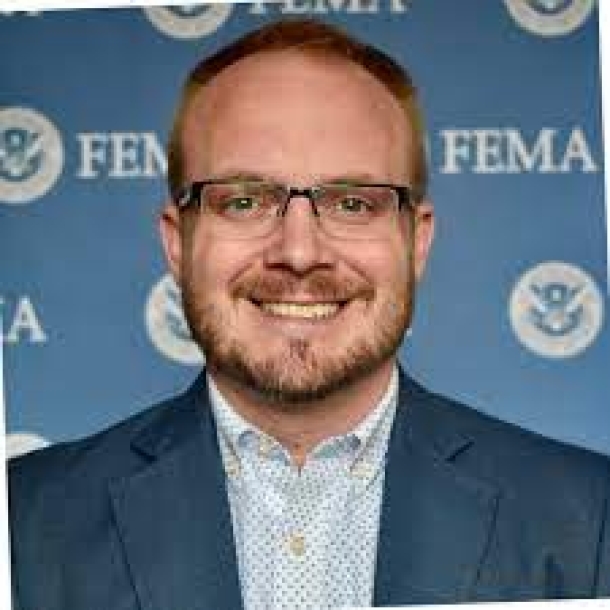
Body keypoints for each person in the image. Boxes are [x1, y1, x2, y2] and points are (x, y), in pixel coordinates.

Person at [9, 18, 610, 610]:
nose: (298, 253)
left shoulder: (590, 519)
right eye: (244, 200)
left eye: (352, 202)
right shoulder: (22, 523)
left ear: (417, 241)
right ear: (177, 242)